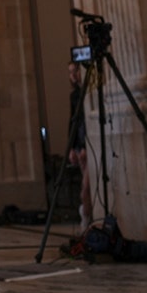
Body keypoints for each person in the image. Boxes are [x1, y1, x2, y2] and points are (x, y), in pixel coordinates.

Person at [67, 61, 93, 232]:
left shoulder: (90, 92)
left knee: (86, 187)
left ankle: (86, 216)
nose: (73, 75)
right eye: (70, 72)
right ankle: (86, 217)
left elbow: (87, 120)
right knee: (86, 186)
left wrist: (85, 146)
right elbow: (73, 121)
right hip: (79, 144)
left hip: (88, 143)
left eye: (76, 70)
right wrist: (71, 147)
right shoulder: (74, 96)